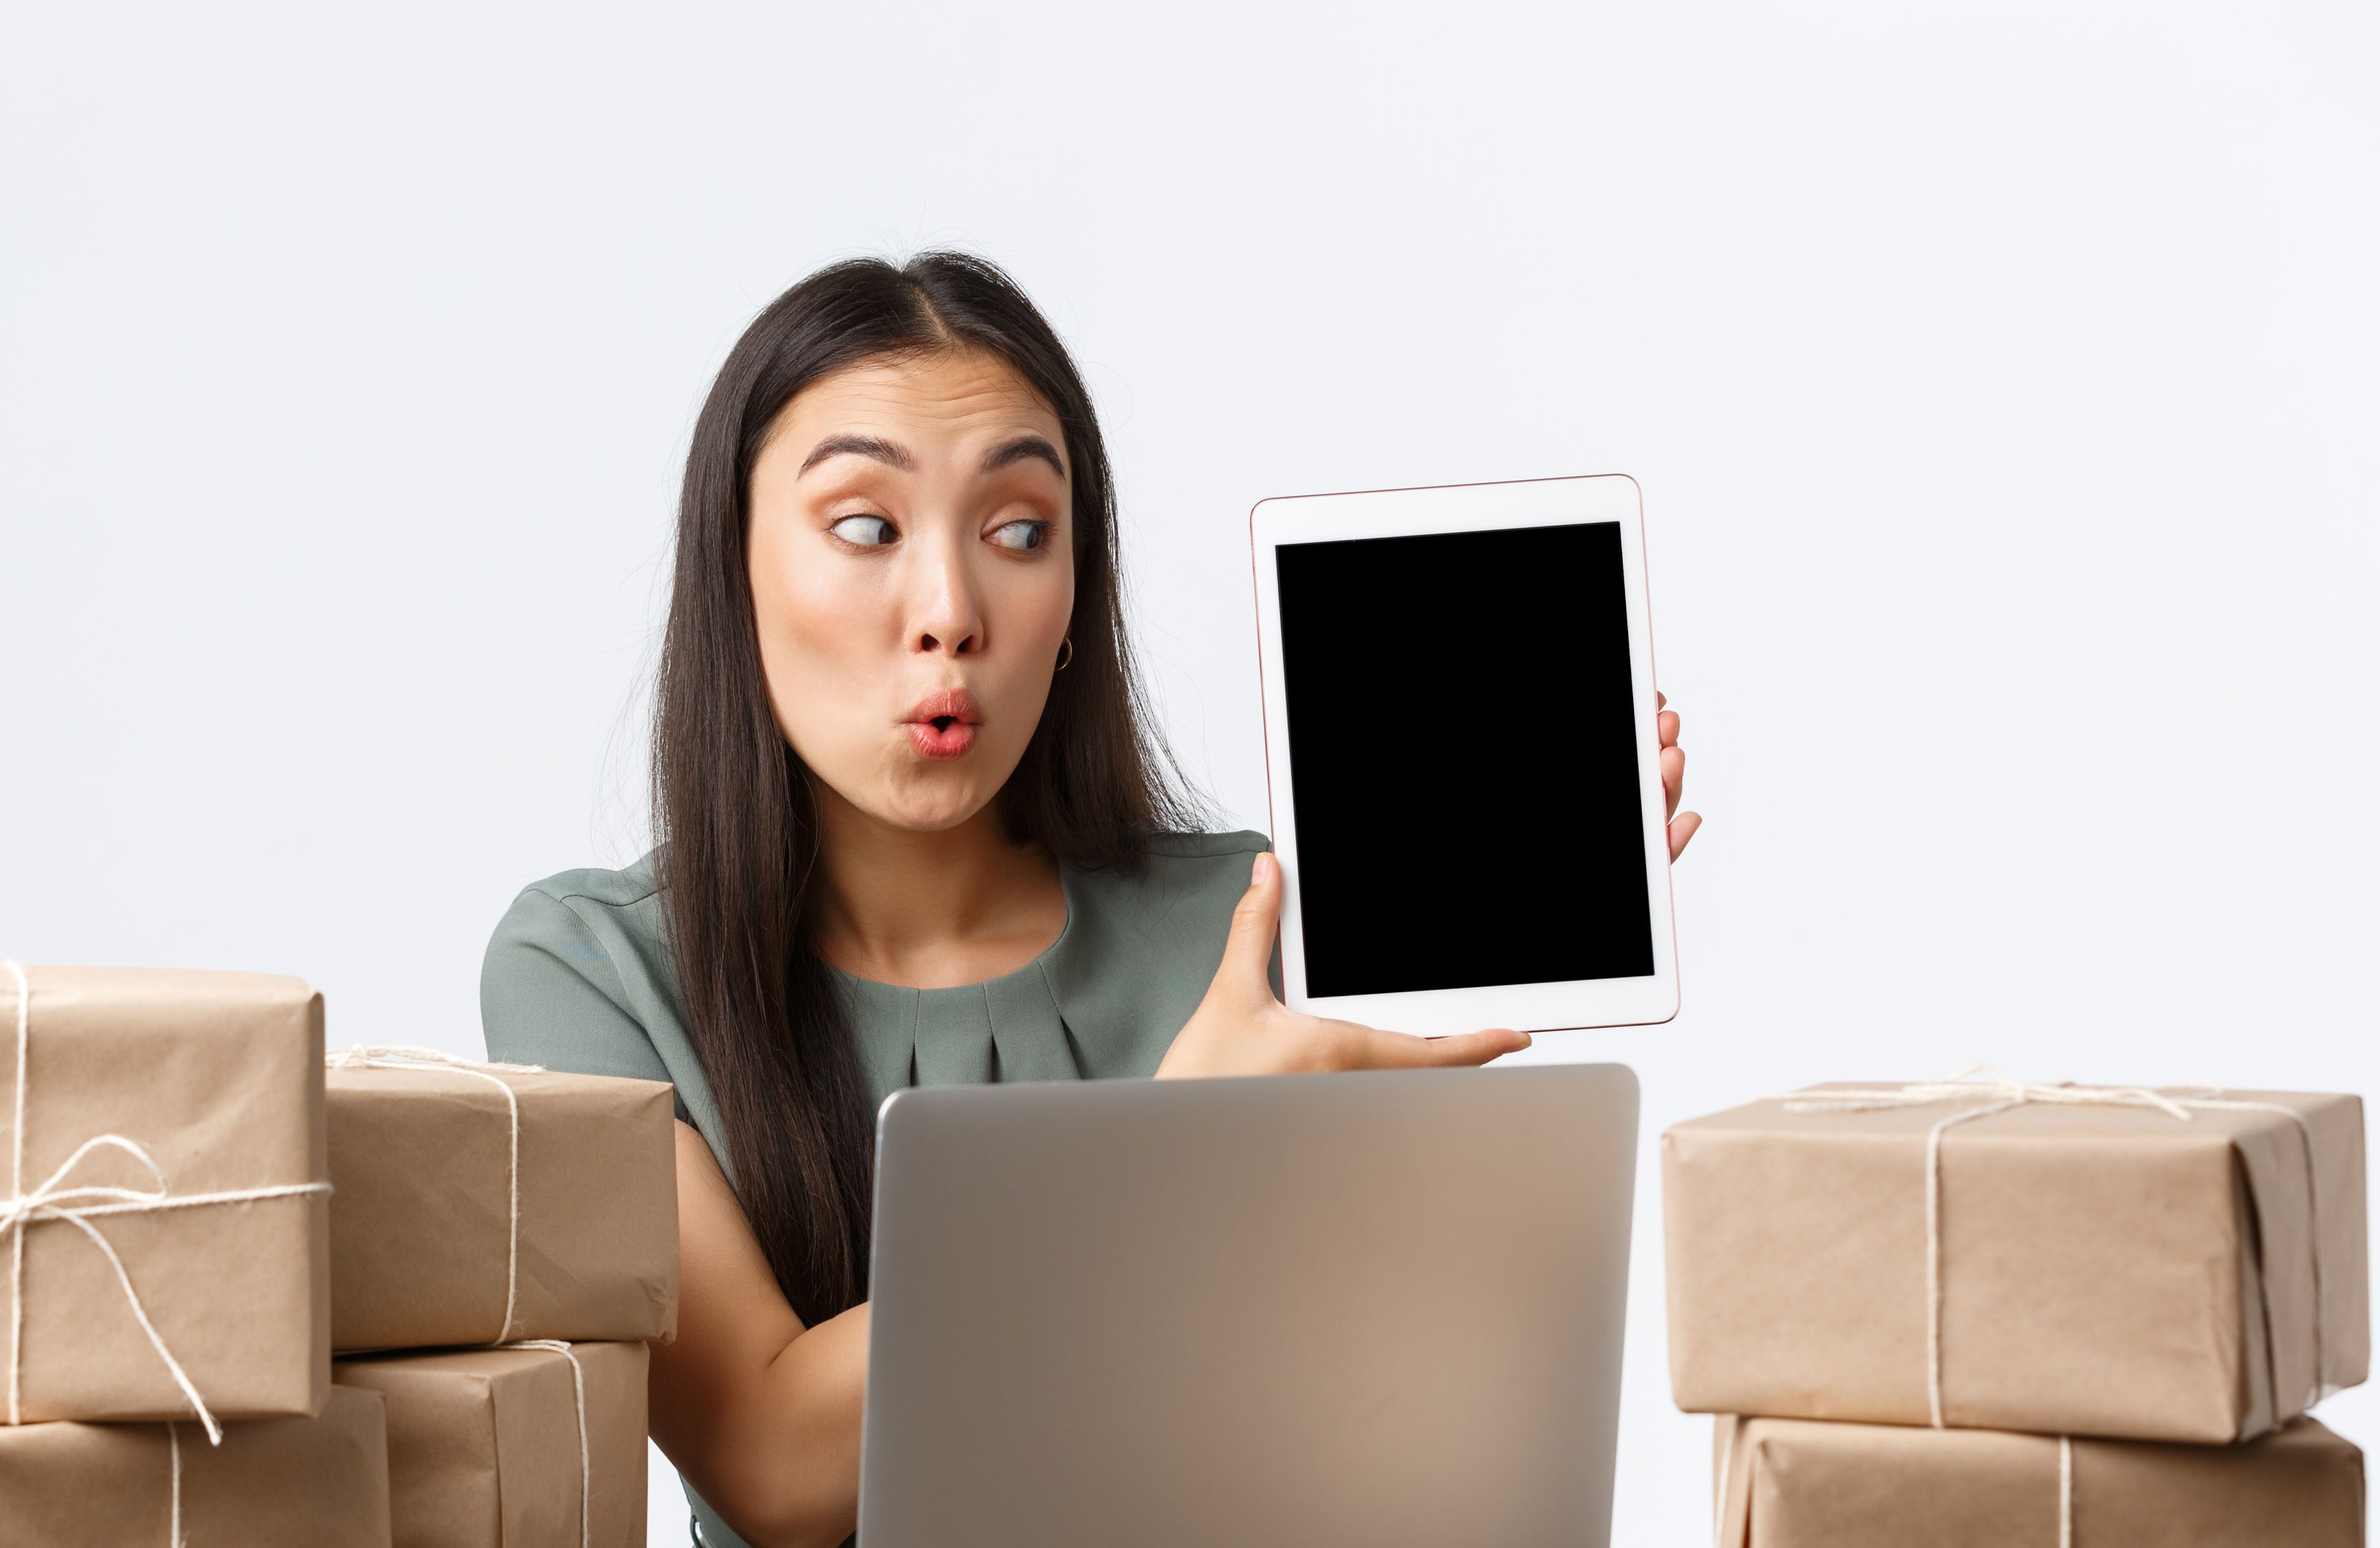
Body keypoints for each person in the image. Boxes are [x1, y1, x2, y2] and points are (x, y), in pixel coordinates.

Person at [482, 252, 1702, 1548]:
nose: (951, 612)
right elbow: (775, 1467)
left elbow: (1417, 1431)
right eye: (866, 527)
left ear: (1075, 604)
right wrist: (1185, 1150)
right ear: (734, 573)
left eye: (1020, 532)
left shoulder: (1261, 936)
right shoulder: (595, 969)